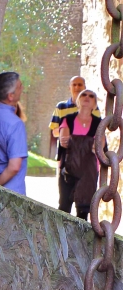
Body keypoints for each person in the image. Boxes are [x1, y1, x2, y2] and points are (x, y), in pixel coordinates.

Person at [58, 89, 101, 221]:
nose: (87, 97)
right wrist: (88, 142)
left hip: (88, 172)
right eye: (84, 95)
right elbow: (64, 141)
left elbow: (99, 145)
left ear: (94, 103)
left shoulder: (99, 123)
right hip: (68, 170)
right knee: (64, 207)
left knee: (83, 210)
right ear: (78, 100)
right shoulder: (68, 120)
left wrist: (74, 140)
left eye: (91, 96)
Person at [0, 71, 27, 194]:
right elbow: (14, 166)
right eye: (19, 87)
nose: (22, 89)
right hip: (11, 192)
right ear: (10, 96)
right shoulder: (15, 124)